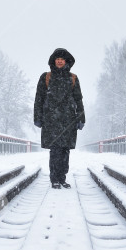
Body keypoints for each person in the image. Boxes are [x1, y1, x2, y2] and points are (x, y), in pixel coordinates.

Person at [33, 48, 85, 189]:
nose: (60, 61)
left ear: (67, 61)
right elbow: (39, 98)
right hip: (51, 119)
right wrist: (38, 117)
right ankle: (54, 179)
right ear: (54, 61)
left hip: (68, 119)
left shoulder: (73, 78)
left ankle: (62, 178)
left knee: (65, 151)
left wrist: (81, 118)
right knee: (55, 150)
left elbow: (78, 99)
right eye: (57, 58)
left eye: (62, 59)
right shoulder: (46, 77)